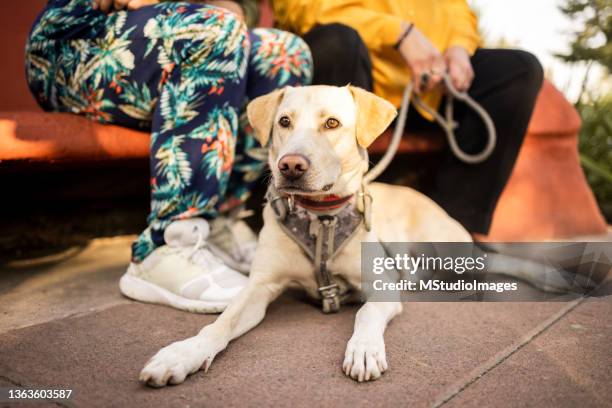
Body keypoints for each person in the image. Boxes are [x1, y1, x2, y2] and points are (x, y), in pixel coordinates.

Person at [25, 0, 312, 312]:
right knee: (213, 29)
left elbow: (239, 8)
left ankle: (220, 220)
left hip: (181, 39)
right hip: (76, 42)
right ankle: (169, 243)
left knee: (283, 52)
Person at [272, 0, 544, 237]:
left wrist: (459, 47)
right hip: (361, 87)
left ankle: (452, 231)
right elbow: (307, 8)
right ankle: (325, 220)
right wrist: (400, 33)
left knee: (519, 69)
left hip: (431, 92)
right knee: (336, 42)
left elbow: (457, 9)